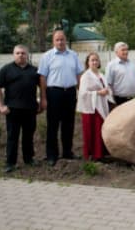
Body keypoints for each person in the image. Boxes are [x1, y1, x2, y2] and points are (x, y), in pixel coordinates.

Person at [38, 30, 84, 166]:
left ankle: (67, 152)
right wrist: (43, 98)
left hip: (70, 93)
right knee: (53, 125)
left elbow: (79, 75)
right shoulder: (47, 56)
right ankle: (52, 155)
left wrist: (80, 93)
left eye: (62, 39)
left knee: (69, 125)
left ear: (66, 40)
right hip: (54, 93)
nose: (60, 42)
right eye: (57, 40)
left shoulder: (73, 55)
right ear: (53, 41)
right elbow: (42, 77)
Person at [0, 45, 41, 173]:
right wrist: (1, 106)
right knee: (12, 137)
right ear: (13, 54)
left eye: (23, 53)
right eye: (18, 53)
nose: (20, 55)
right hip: (12, 110)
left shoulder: (34, 71)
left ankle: (29, 159)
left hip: (30, 109)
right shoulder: (6, 70)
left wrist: (41, 102)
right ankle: (10, 163)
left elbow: (43, 87)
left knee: (28, 136)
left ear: (27, 55)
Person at [76, 52, 111, 161]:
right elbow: (83, 93)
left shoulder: (101, 75)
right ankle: (92, 155)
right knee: (92, 131)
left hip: (101, 106)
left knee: (100, 130)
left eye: (96, 60)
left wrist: (107, 91)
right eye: (92, 60)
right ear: (88, 63)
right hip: (91, 108)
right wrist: (99, 93)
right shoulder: (86, 76)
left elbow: (106, 88)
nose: (95, 62)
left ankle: (101, 154)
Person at [105, 42, 135, 106]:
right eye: (123, 50)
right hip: (118, 100)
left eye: (126, 49)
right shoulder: (111, 65)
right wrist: (112, 100)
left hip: (133, 99)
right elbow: (108, 83)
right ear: (116, 52)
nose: (125, 52)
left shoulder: (132, 63)